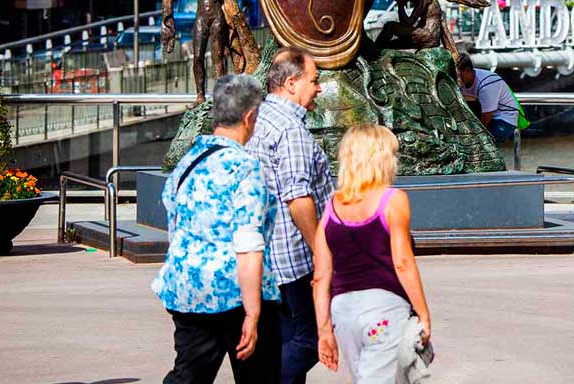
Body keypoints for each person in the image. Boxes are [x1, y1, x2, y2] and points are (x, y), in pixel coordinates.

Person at [154, 74, 281, 383]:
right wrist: (253, 312)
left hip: (187, 288)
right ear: (250, 117)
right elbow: (248, 243)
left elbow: (172, 212)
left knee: (189, 374)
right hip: (235, 291)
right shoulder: (244, 167)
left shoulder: (188, 162)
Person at [312, 125, 433, 383]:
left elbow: (321, 277)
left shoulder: (332, 207)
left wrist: (324, 331)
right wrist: (423, 313)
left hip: (343, 311)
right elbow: (402, 263)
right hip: (384, 307)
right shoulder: (392, 200)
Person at [247, 47, 334, 384]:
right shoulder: (291, 131)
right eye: (314, 80)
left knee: (283, 338)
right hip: (293, 259)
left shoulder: (259, 119)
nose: (319, 87)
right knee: (312, 337)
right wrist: (321, 250)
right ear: (291, 84)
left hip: (266, 256)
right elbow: (298, 197)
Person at [456, 52, 523, 143]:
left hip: (504, 119)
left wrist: (476, 136)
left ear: (467, 70)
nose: (457, 79)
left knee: (478, 143)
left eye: (459, 75)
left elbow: (486, 116)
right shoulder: (463, 81)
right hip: (483, 116)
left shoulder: (486, 84)